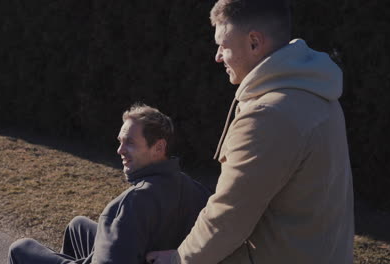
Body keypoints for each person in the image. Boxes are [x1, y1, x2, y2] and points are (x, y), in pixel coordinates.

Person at [146, 0, 354, 263]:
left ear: (254, 42)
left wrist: (179, 258)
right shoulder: (316, 91)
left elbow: (229, 216)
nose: (218, 56)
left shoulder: (268, 115)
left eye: (223, 46)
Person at [8, 103, 211, 264]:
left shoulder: (132, 202)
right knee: (78, 226)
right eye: (120, 141)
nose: (120, 150)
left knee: (21, 248)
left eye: (129, 142)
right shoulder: (198, 191)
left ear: (158, 148)